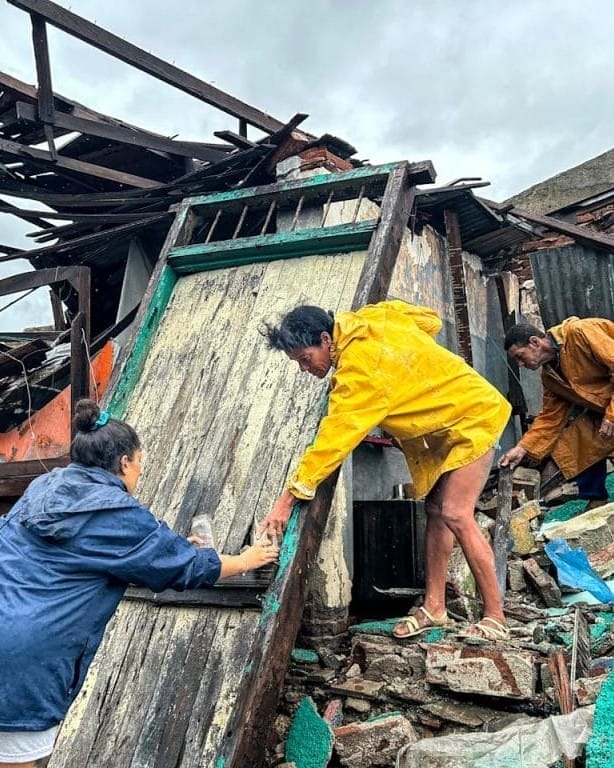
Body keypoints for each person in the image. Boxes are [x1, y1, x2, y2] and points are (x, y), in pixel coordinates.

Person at [0, 399, 278, 768]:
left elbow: (90, 554)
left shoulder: (43, 488)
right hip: (26, 660)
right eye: (139, 464)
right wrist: (246, 560)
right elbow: (184, 567)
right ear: (125, 463)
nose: (140, 473)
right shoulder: (115, 511)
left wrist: (164, 550)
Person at [258, 300, 512, 641]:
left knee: (455, 512)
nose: (305, 369)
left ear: (325, 339)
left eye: (306, 358)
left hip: (474, 417)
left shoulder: (358, 372)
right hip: (452, 420)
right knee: (435, 509)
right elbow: (430, 321)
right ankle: (434, 607)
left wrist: (286, 500)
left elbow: (331, 443)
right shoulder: (374, 317)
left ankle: (495, 617)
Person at [500, 317, 614, 508]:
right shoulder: (550, 377)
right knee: (580, 442)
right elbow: (550, 418)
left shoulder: (579, 332)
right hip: (604, 409)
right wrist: (522, 448)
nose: (520, 364)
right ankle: (596, 500)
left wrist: (611, 415)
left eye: (520, 356)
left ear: (535, 342)